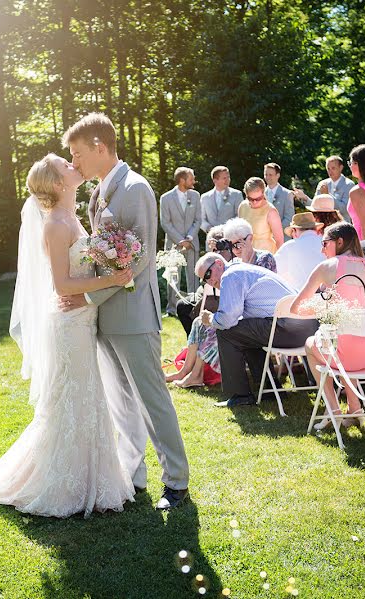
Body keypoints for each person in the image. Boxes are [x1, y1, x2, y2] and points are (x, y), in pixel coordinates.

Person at [0, 152, 136, 518]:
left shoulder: (71, 216)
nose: (72, 164)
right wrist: (114, 278)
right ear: (59, 183)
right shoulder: (55, 224)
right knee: (73, 397)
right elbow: (62, 285)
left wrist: (112, 259)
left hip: (82, 317)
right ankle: (62, 482)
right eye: (65, 165)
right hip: (70, 323)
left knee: (87, 394)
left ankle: (94, 478)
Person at [58, 113, 190, 510]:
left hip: (132, 313)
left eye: (78, 154)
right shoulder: (101, 191)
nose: (75, 163)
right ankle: (133, 476)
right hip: (107, 318)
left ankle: (177, 483)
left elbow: (139, 258)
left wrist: (87, 298)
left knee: (152, 399)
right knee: (121, 404)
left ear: (100, 146)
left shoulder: (135, 188)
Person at [291, 222, 365, 429]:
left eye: (324, 243)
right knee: (342, 338)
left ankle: (333, 409)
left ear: (340, 241)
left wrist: (324, 306)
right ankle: (354, 409)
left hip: (345, 353)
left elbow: (296, 307)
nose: (322, 249)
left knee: (313, 343)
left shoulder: (328, 267)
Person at [195, 253, 317, 407]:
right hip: (307, 329)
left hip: (288, 328)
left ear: (219, 263)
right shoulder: (244, 270)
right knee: (244, 332)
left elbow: (227, 319)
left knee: (226, 333)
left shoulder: (230, 275)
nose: (209, 281)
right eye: (204, 279)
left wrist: (211, 319)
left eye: (208, 274)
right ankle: (270, 390)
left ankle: (240, 394)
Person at [160, 167, 201, 316]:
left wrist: (189, 238)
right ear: (182, 180)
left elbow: (198, 220)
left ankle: (194, 305)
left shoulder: (196, 196)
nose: (194, 181)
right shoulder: (166, 198)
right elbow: (165, 223)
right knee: (173, 276)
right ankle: (172, 309)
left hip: (192, 242)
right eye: (191, 178)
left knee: (193, 276)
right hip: (173, 244)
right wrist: (180, 240)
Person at [274, 212, 324, 291]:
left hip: (299, 295)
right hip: (327, 295)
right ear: (315, 228)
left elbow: (275, 272)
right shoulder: (326, 243)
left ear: (294, 230)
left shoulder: (288, 247)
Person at [237, 177, 283, 253]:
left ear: (263, 193)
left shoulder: (271, 211)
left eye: (258, 199)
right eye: (251, 199)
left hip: (265, 253)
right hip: (246, 251)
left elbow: (279, 240)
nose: (255, 202)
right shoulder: (242, 206)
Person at [199, 166, 242, 234]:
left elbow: (240, 215)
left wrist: (227, 229)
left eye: (228, 177)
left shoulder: (237, 194)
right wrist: (210, 230)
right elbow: (201, 219)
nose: (227, 180)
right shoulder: (205, 197)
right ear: (215, 180)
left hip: (231, 237)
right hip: (211, 238)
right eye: (224, 178)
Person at [315, 156, 354, 222]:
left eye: (333, 168)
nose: (330, 171)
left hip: (342, 224)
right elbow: (315, 206)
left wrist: (328, 196)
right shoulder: (322, 184)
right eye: (328, 169)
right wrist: (305, 199)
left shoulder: (349, 185)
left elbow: (345, 209)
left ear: (341, 168)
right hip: (324, 224)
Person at [263, 162, 295, 229]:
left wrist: (275, 229)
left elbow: (289, 218)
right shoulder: (261, 194)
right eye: (266, 174)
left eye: (270, 175)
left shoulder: (287, 194)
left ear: (278, 175)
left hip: (282, 236)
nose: (267, 177)